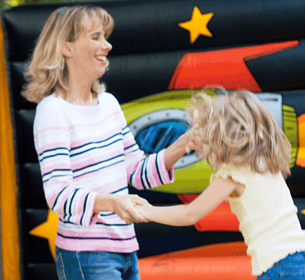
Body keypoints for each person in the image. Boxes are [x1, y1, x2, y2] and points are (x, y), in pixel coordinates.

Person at [23, 5, 194, 280]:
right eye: (96, 37)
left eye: (105, 36)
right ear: (66, 47)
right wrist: (113, 203)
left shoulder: (109, 103)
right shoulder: (53, 111)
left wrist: (183, 144)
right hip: (86, 255)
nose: (107, 45)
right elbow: (58, 194)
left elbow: (137, 172)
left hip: (126, 249)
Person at [136, 89, 305, 279]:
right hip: (302, 257)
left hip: (279, 265)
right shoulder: (263, 162)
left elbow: (190, 214)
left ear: (220, 138)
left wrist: (147, 211)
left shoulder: (232, 176)